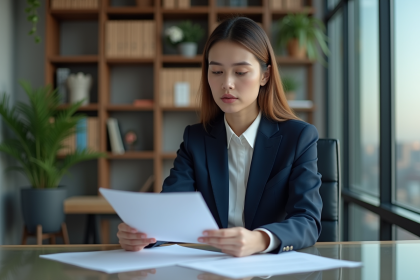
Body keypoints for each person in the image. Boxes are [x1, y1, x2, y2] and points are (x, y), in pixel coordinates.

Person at [117, 16, 323, 257]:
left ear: (265, 76)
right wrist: (144, 235)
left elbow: (308, 220)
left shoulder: (298, 137)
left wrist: (259, 239)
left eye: (241, 72)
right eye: (216, 71)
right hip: (210, 266)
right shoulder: (196, 139)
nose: (227, 84)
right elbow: (170, 213)